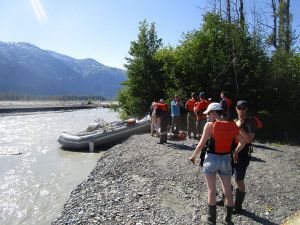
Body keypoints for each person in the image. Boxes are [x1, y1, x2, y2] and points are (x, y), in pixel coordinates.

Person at [189, 103, 246, 225]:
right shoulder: (232, 125)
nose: (208, 116)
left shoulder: (210, 125)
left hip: (212, 160)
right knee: (227, 190)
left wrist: (193, 157)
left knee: (211, 190)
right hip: (226, 159)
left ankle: (211, 220)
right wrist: (235, 152)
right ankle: (228, 220)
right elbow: (243, 142)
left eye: (209, 113)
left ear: (215, 112)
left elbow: (201, 144)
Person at [232, 100, 257, 214]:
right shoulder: (234, 120)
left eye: (243, 108)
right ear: (236, 108)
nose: (241, 110)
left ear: (247, 109)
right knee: (226, 176)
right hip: (230, 152)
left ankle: (238, 206)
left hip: (242, 154)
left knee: (239, 179)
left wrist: (239, 127)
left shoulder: (250, 121)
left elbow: (248, 140)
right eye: (239, 107)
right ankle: (225, 199)